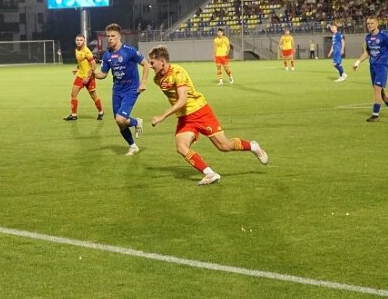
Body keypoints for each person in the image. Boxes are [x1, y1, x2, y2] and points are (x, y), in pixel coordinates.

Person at [148, 45, 268, 185]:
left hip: (200, 111)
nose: (151, 66)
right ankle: (210, 174)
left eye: (152, 62)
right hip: (185, 118)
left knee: (224, 146)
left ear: (162, 61)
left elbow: (182, 100)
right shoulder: (158, 79)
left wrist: (162, 116)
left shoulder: (178, 73)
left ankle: (253, 146)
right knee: (181, 147)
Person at [92, 23, 150, 156]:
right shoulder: (107, 55)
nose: (110, 38)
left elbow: (146, 65)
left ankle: (136, 122)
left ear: (119, 37)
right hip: (117, 91)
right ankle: (133, 146)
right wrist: (93, 73)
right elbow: (103, 74)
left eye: (113, 36)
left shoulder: (129, 50)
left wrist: (143, 83)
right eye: (108, 36)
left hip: (131, 89)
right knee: (120, 123)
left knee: (120, 119)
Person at [352, 17, 388, 122]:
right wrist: (357, 62)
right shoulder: (368, 38)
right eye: (368, 23)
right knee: (381, 92)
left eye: (371, 23)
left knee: (377, 89)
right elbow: (367, 52)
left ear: (377, 24)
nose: (369, 25)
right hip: (372, 67)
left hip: (382, 67)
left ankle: (375, 115)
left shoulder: (384, 36)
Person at [63, 34, 105, 121]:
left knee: (93, 96)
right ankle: (74, 115)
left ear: (84, 41)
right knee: (73, 94)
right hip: (80, 76)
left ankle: (101, 111)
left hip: (89, 77)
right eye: (77, 40)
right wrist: (77, 68)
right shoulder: (76, 50)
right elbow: (80, 62)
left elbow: (94, 65)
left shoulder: (87, 51)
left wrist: (88, 76)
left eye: (81, 40)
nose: (78, 41)